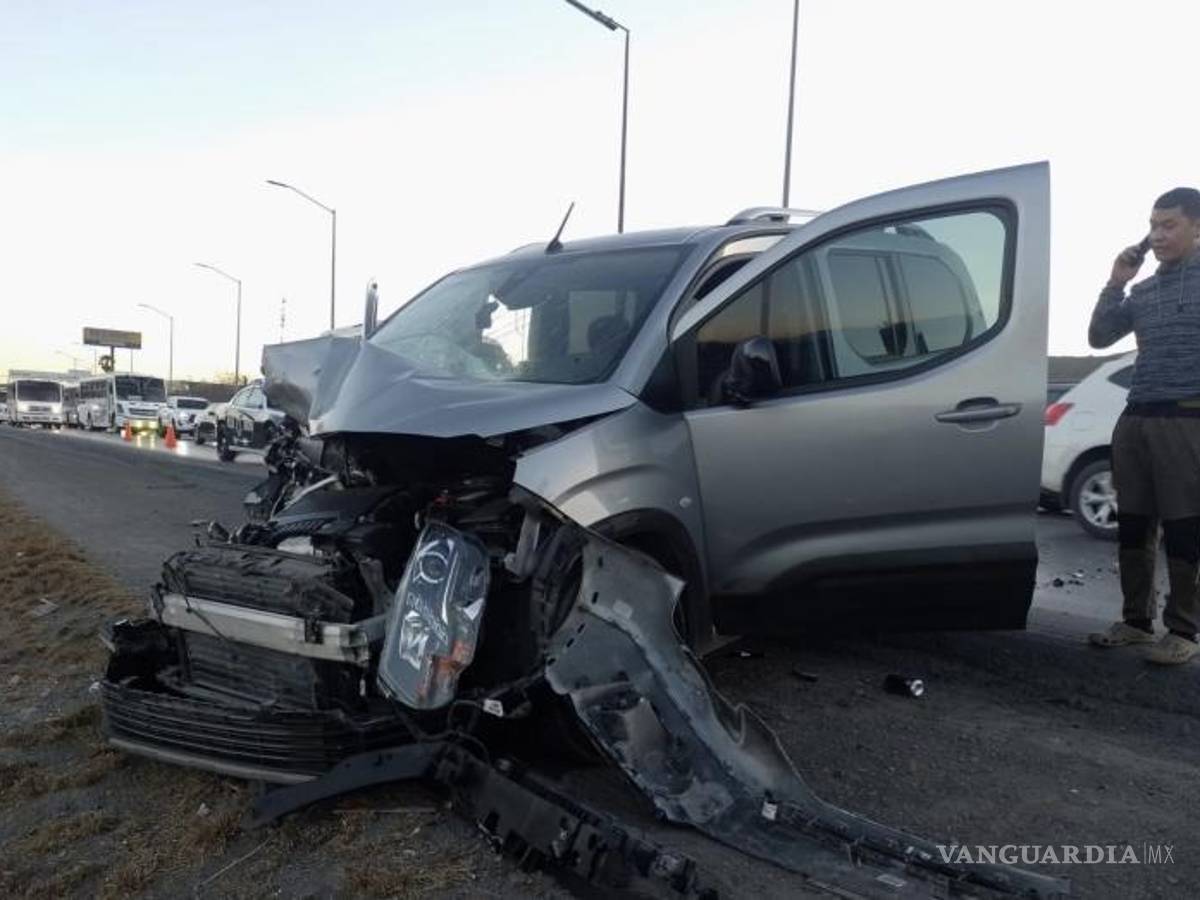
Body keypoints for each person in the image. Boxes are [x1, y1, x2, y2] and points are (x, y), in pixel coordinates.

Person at [1087, 187, 1200, 664]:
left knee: (1183, 528)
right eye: (1153, 225)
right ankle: (1136, 621)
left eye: (1169, 225)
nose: (1156, 235)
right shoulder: (1143, 289)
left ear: (1197, 227)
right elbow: (1098, 337)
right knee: (1133, 524)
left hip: (1185, 418)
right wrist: (1116, 281)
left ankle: (1184, 631)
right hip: (1136, 417)